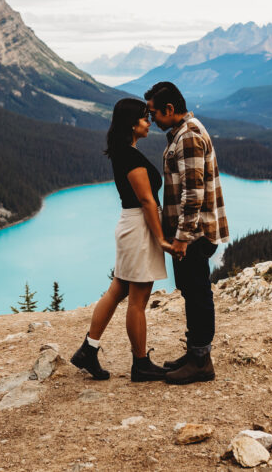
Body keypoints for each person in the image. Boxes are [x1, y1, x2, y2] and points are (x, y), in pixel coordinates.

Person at [70, 98, 173, 382]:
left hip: (130, 225)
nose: (148, 122)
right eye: (143, 118)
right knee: (137, 300)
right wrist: (161, 239)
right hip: (139, 227)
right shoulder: (130, 156)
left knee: (117, 290)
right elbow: (147, 201)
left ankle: (88, 350)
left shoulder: (123, 152)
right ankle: (140, 364)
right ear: (131, 124)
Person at [144, 81, 229, 384]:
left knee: (197, 293)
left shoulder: (189, 136)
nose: (151, 119)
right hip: (193, 231)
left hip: (195, 233)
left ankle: (202, 362)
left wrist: (181, 237)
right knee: (192, 291)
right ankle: (194, 353)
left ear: (169, 109)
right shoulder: (184, 132)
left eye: (153, 112)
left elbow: (193, 193)